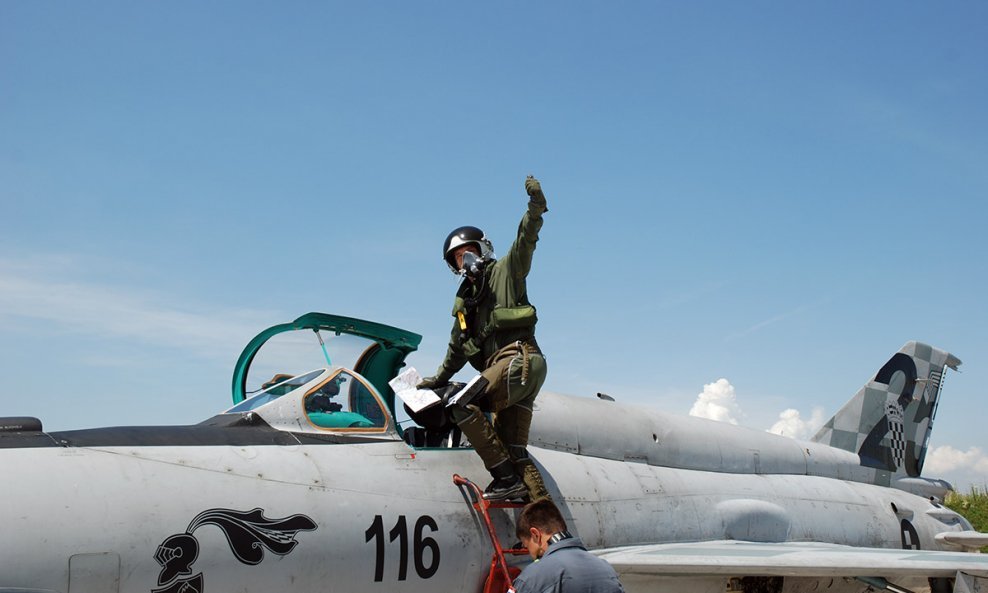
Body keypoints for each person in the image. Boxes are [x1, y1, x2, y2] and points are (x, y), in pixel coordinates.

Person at [418, 175, 550, 501]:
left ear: (483, 249)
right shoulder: (465, 305)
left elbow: (525, 240)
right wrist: (437, 378)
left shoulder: (507, 271)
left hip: (516, 359)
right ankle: (552, 531)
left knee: (461, 404)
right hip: (517, 372)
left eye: (469, 252)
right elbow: (455, 350)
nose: (465, 262)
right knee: (515, 452)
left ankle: (503, 477)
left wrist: (535, 208)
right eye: (458, 258)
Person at [511, 499, 624, 593]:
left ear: (535, 534)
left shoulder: (533, 577)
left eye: (527, 545)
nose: (530, 553)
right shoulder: (605, 569)